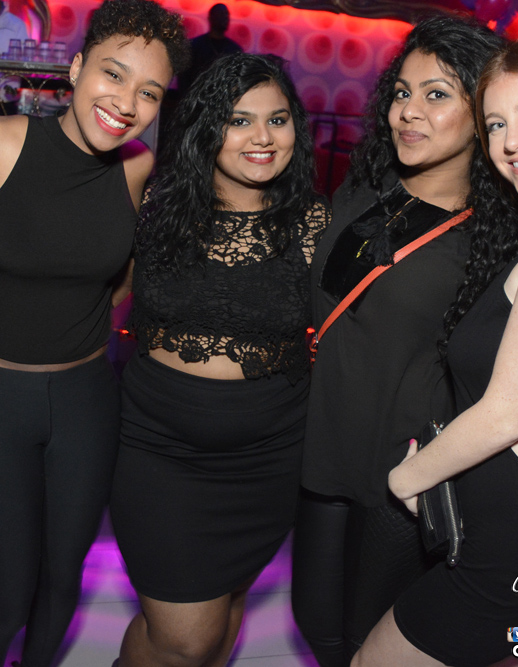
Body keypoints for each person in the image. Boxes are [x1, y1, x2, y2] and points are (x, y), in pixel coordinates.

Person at [293, 18, 518, 666]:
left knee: (366, 639)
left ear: (475, 120)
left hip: (412, 472)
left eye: (437, 94)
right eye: (402, 92)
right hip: (325, 451)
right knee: (315, 623)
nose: (409, 111)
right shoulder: (362, 194)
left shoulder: (505, 238)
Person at [0, 2, 189, 665]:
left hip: (86, 399)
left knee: (60, 585)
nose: (127, 104)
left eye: (149, 92)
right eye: (113, 74)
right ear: (76, 68)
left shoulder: (137, 167)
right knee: (4, 600)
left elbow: (120, 282)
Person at [110, 53, 330, 667]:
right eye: (239, 120)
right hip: (161, 454)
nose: (263, 137)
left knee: (224, 611)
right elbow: (94, 297)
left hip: (270, 461)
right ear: (207, 127)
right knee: (184, 638)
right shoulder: (152, 205)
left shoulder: (316, 223)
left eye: (277, 119)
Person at [178, 3, 242, 95]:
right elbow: (184, 78)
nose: (225, 17)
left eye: (226, 14)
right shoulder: (195, 46)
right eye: (221, 14)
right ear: (211, 18)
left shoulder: (234, 49)